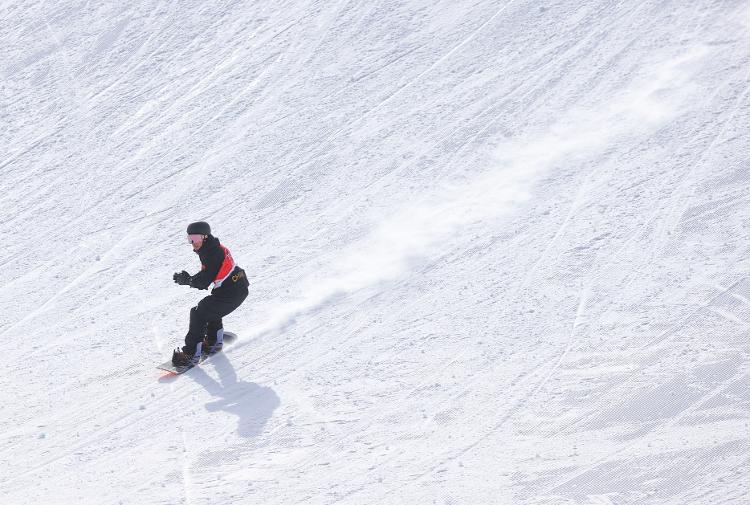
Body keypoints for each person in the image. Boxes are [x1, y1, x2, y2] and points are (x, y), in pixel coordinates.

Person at [171, 221, 249, 367]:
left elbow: (204, 281)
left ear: (205, 237)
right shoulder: (211, 248)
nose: (193, 243)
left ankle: (191, 354)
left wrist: (188, 280)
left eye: (196, 238)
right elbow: (209, 273)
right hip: (234, 287)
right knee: (209, 307)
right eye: (190, 239)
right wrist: (190, 279)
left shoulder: (211, 253)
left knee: (198, 313)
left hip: (233, 291)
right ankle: (214, 341)